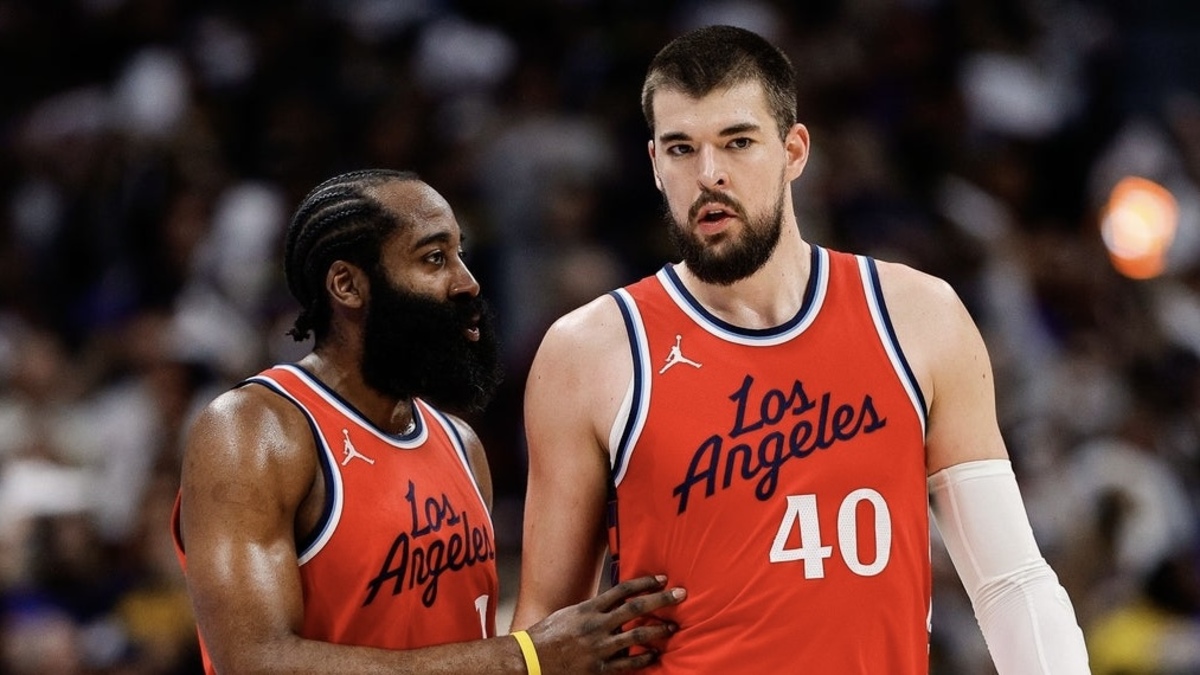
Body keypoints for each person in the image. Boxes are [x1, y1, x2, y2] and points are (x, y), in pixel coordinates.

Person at [510, 25, 1091, 674]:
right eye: (681, 148)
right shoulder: (588, 352)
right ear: (654, 164)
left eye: (737, 142)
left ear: (794, 150)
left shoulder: (918, 317)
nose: (708, 174)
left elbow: (1010, 582)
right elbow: (545, 633)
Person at [171, 169, 685, 674]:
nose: (467, 282)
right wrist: (526, 657)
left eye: (460, 254)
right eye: (434, 258)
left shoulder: (460, 443)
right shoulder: (254, 431)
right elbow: (254, 660)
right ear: (347, 285)